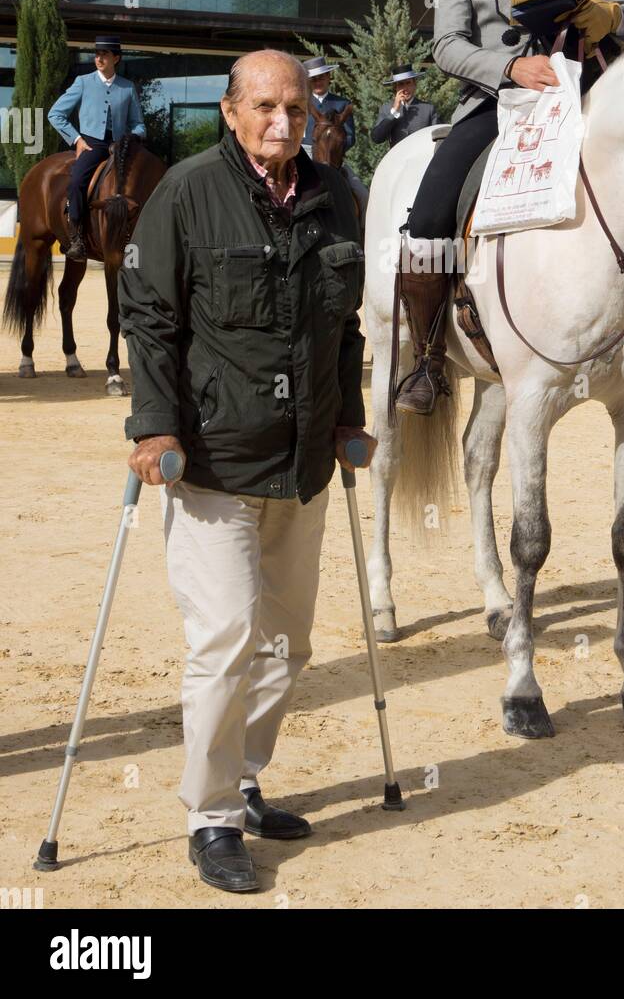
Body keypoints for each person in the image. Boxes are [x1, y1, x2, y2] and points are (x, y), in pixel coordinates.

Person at [117, 48, 376, 895]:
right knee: (225, 639)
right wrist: (154, 429)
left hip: (302, 463)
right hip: (216, 462)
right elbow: (149, 320)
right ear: (230, 112)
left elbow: (345, 325)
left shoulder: (337, 195)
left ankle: (247, 777)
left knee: (287, 644)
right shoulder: (187, 192)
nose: (283, 123)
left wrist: (348, 417)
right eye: (264, 107)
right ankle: (212, 816)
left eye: (296, 109)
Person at [394, 0, 624, 416]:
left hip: (580, 98)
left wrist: (608, 20)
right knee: (431, 211)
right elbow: (446, 45)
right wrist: (510, 70)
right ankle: (429, 358)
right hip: (496, 104)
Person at [46, 36, 146, 261]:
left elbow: (138, 124)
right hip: (92, 144)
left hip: (122, 146)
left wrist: (134, 137)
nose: (99, 58)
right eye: (97, 54)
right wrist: (77, 140)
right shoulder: (83, 82)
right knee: (76, 182)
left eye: (105, 55)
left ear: (116, 58)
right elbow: (55, 114)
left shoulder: (127, 87)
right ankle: (76, 238)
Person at [302, 54, 368, 217]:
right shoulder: (302, 103)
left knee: (362, 194)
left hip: (334, 158)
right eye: (313, 79)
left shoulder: (342, 103)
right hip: (305, 156)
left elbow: (351, 136)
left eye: (321, 78)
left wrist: (334, 148)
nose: (317, 82)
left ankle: (363, 232)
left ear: (328, 77)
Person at [370, 65, 440, 148]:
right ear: (395, 88)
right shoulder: (386, 109)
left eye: (408, 83)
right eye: (401, 84)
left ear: (414, 84)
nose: (405, 88)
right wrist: (394, 112)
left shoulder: (429, 109)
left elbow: (438, 139)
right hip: (397, 159)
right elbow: (377, 138)